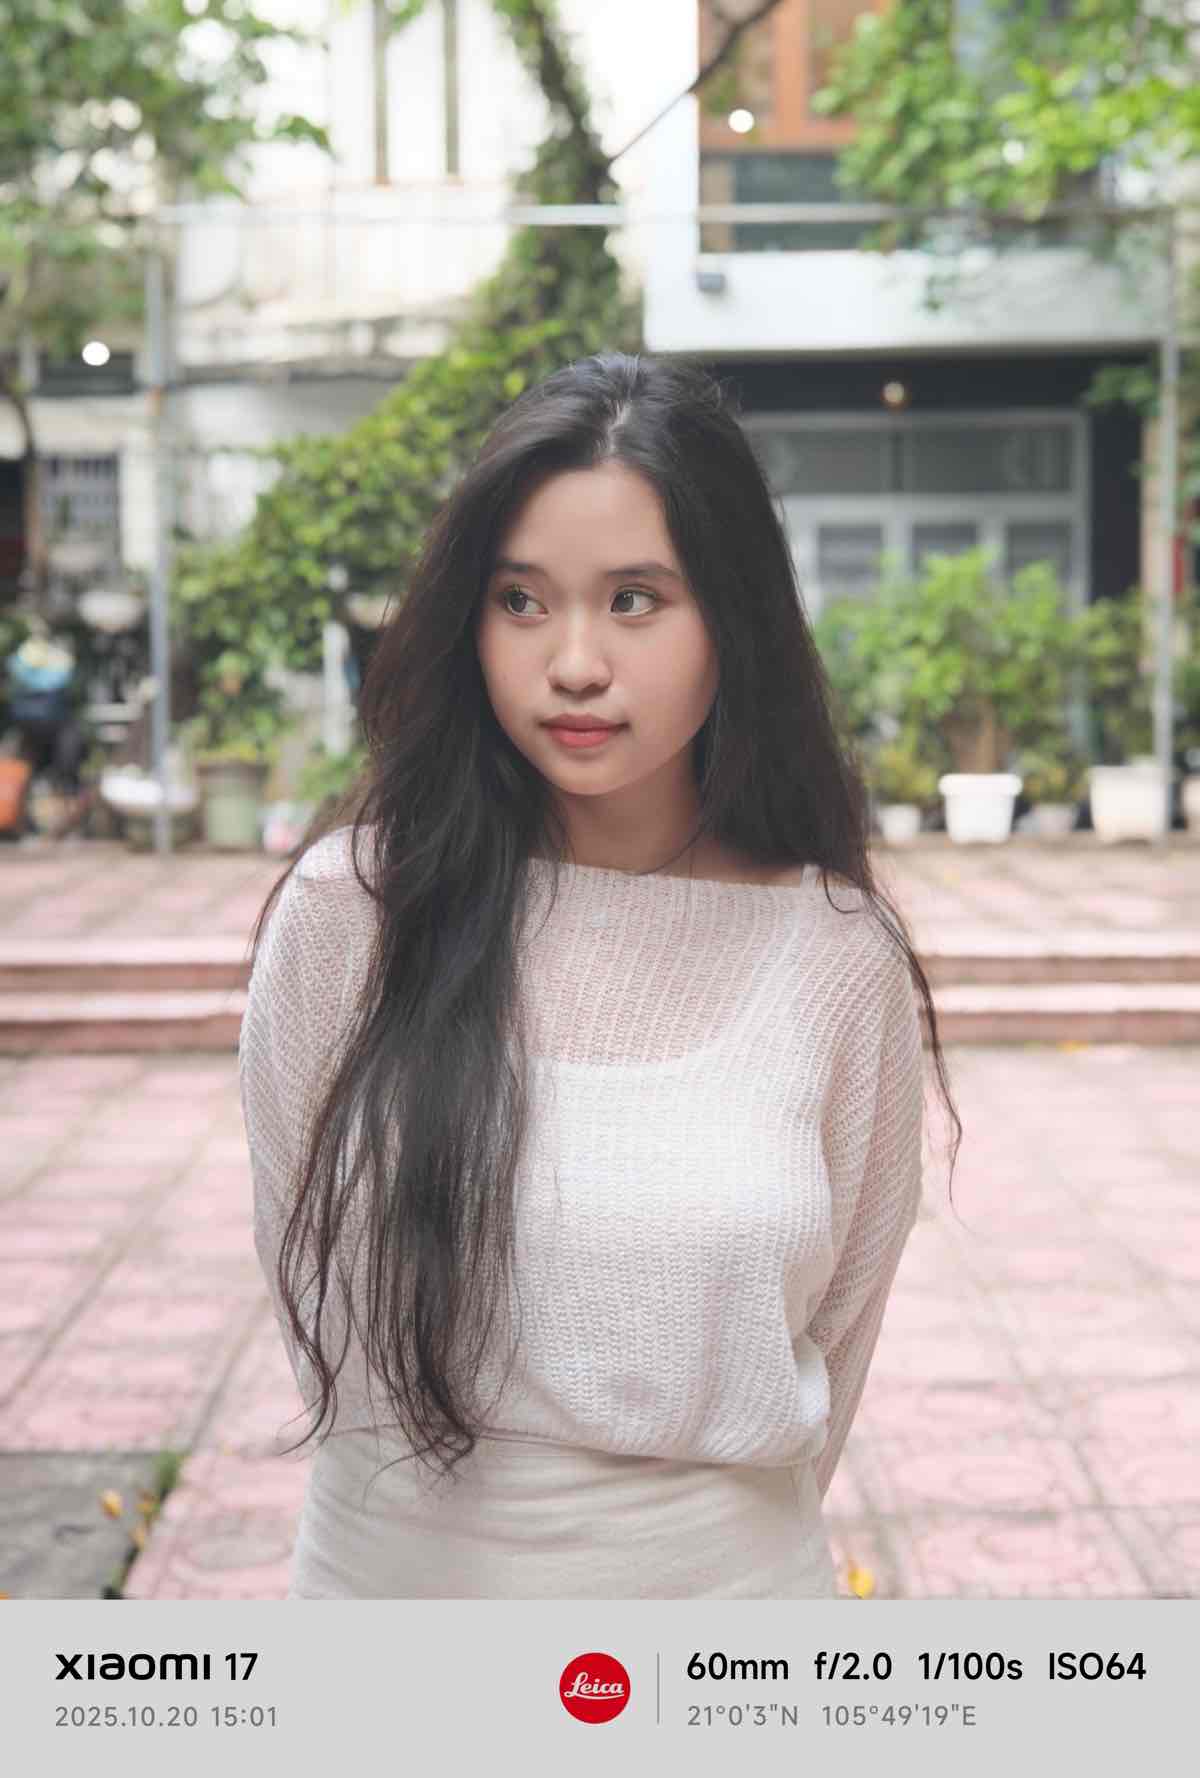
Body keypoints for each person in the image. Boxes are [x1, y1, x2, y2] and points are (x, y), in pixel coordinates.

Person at [238, 351, 962, 1599]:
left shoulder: (837, 957)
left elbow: (839, 1338)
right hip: (384, 1604)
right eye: (521, 600)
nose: (574, 662)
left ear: (732, 618)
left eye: (635, 600)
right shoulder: (349, 915)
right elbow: (302, 1271)